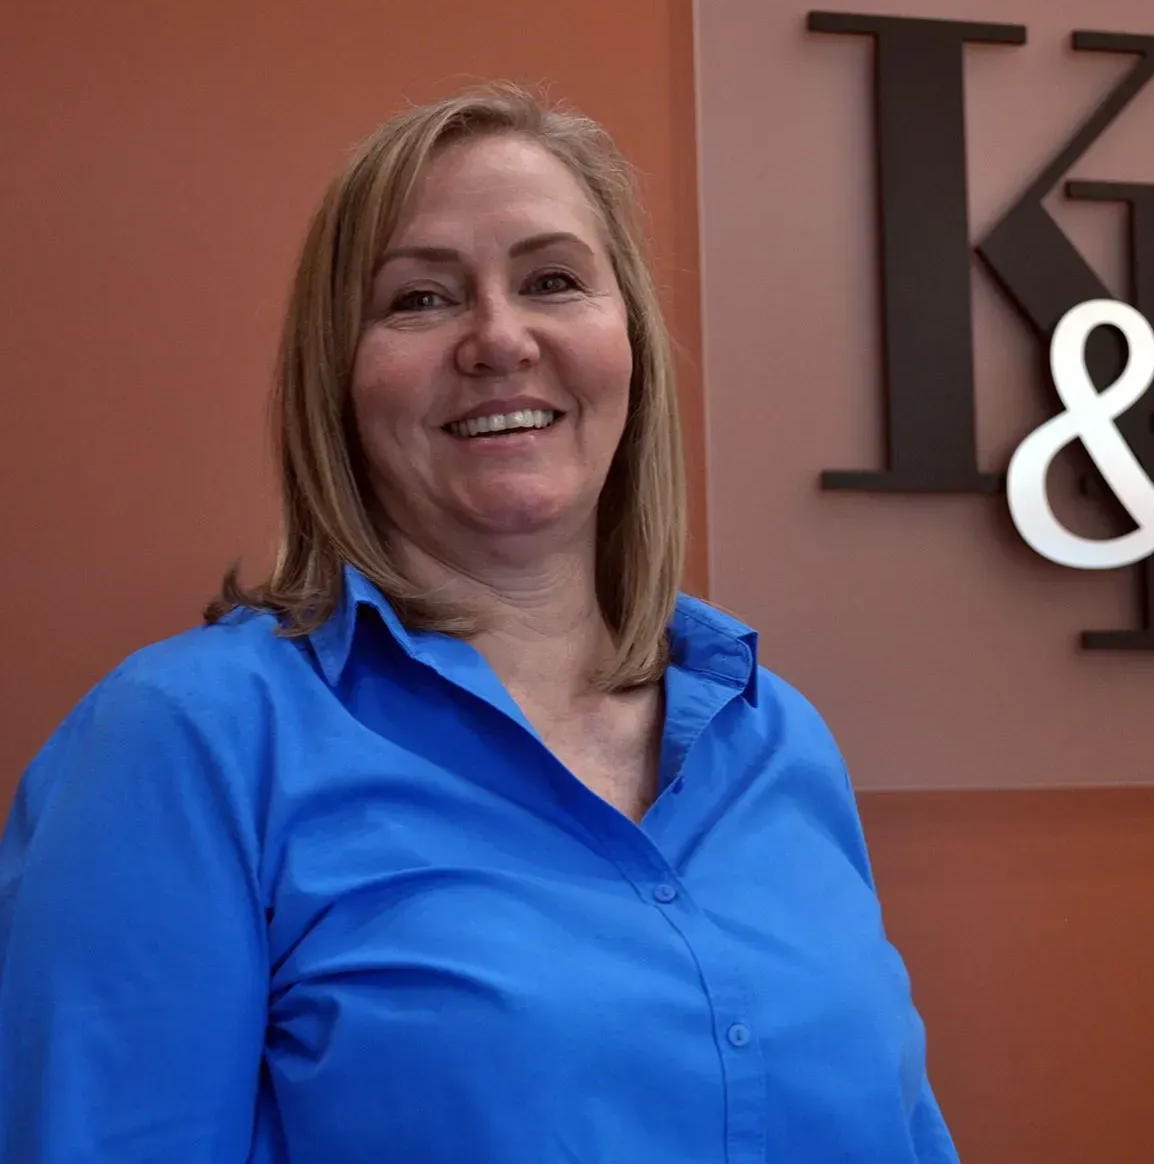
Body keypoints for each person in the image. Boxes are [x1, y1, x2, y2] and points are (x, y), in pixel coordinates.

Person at [0, 83, 958, 1163]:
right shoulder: (183, 742)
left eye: (553, 281)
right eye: (419, 299)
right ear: (337, 378)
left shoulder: (775, 735)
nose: (500, 339)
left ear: (632, 345)